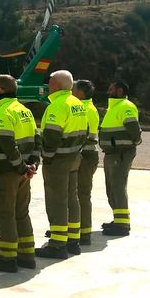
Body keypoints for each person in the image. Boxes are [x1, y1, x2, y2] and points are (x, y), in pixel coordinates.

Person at [0, 75, 41, 273]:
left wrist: (21, 167)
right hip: (24, 173)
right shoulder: (25, 111)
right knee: (21, 213)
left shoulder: (2, 112)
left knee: (3, 213)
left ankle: (7, 258)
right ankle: (27, 255)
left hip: (7, 171)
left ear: (1, 90)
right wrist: (32, 165)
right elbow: (37, 139)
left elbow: (8, 145)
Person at [36, 70, 88, 259]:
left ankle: (57, 244)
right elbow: (86, 130)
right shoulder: (78, 104)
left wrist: (47, 156)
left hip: (58, 160)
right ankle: (73, 240)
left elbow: (51, 137)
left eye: (50, 82)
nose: (47, 85)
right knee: (72, 198)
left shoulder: (57, 106)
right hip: (75, 157)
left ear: (56, 85)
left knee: (56, 200)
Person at [99, 80, 142, 236]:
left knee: (118, 187)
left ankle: (123, 225)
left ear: (120, 91)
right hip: (112, 153)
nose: (108, 91)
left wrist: (132, 143)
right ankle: (118, 219)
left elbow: (134, 129)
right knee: (111, 187)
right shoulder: (113, 107)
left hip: (121, 153)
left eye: (111, 89)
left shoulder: (126, 107)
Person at [73, 79, 100, 245]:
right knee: (79, 194)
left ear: (81, 93)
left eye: (74, 89)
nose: (71, 91)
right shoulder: (89, 107)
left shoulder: (83, 109)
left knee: (81, 194)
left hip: (84, 156)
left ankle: (83, 233)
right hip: (87, 155)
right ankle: (78, 229)